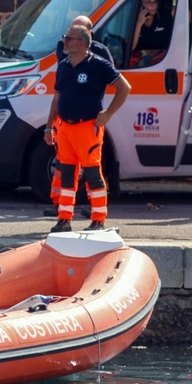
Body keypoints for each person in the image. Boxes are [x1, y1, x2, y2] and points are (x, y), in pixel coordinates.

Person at [46, 24, 131, 232]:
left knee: (92, 173)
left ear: (82, 43)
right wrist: (49, 127)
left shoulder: (98, 65)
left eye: (68, 39)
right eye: (65, 38)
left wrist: (108, 114)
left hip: (87, 127)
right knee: (67, 173)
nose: (64, 42)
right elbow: (57, 98)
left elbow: (124, 87)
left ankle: (98, 219)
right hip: (65, 127)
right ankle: (64, 218)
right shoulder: (64, 66)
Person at [127, 0, 174, 68]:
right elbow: (131, 47)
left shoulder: (164, 16)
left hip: (163, 59)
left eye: (155, 2)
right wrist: (139, 24)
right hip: (140, 61)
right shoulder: (133, 19)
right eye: (149, 2)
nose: (153, 5)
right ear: (141, 4)